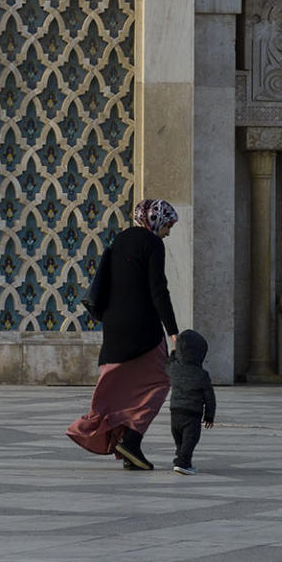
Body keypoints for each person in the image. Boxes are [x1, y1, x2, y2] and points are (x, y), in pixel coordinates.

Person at [66, 198, 180, 471]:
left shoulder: (120, 239)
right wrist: (173, 332)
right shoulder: (153, 244)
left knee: (117, 379)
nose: (168, 232)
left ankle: (117, 438)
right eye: (168, 226)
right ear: (156, 221)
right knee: (160, 382)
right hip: (142, 327)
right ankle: (131, 440)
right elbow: (158, 291)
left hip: (114, 325)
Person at [168, 328, 216, 475]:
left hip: (175, 412)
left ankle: (183, 460)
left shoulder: (174, 369)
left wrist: (173, 354)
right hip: (192, 414)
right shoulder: (202, 375)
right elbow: (209, 398)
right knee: (191, 439)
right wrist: (209, 416)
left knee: (179, 439)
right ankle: (182, 462)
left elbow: (167, 364)